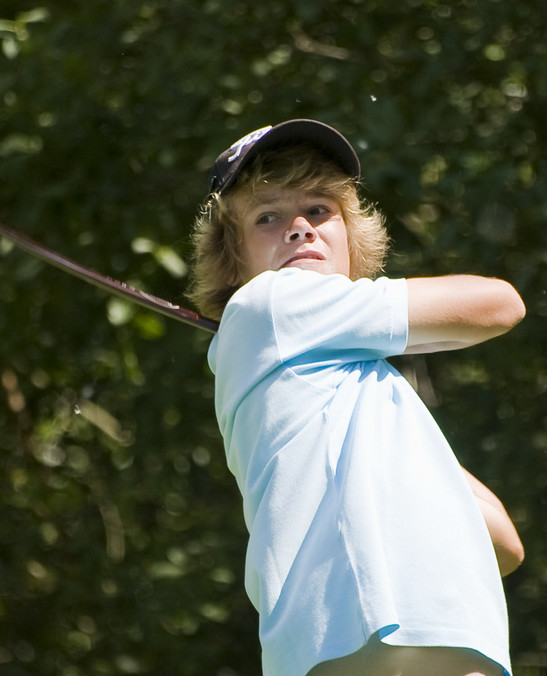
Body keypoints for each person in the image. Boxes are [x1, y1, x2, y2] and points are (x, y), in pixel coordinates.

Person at [188, 119, 526, 676]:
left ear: (353, 234)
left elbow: (504, 545)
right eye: (267, 217)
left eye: (319, 210)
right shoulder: (268, 303)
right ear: (234, 260)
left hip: (444, 638)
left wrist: (426, 463)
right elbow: (500, 303)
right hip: (351, 640)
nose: (299, 228)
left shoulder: (370, 394)